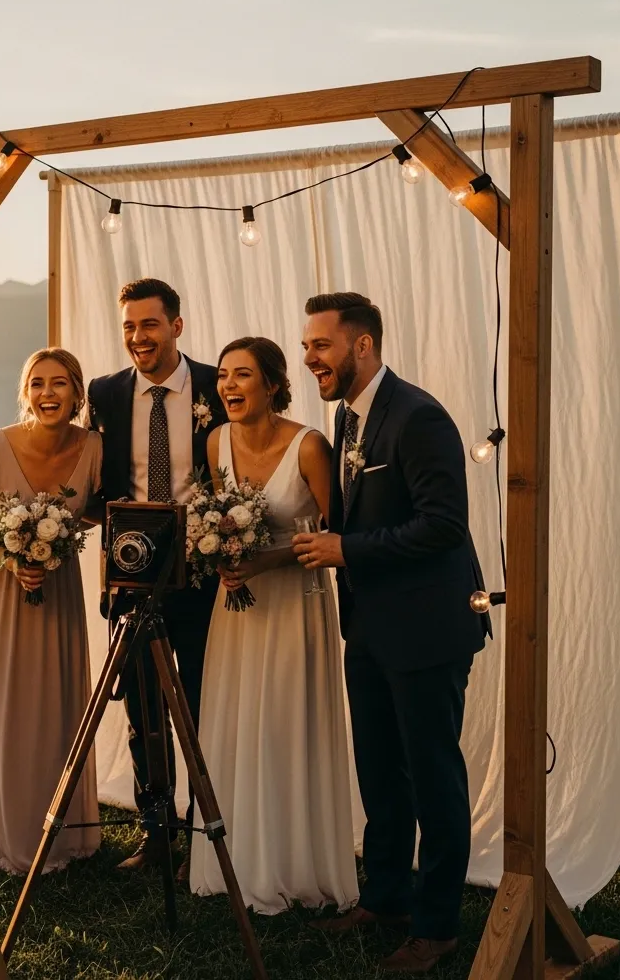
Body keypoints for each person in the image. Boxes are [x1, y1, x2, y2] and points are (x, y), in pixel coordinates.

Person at [294, 292, 491, 973]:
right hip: (372, 629)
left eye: (321, 344)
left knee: (433, 778)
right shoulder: (348, 418)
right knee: (380, 772)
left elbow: (443, 526)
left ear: (363, 346)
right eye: (307, 344)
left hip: (428, 627)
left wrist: (348, 551)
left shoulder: (418, 416)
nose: (309, 356)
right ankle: (386, 898)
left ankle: (437, 926)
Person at [188, 337, 359, 914]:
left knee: (287, 721)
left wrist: (266, 558)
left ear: (272, 385)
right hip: (237, 611)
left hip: (296, 606)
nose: (229, 386)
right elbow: (218, 518)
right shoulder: (215, 443)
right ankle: (238, 860)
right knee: (238, 723)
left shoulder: (310, 446)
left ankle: (296, 865)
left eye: (243, 376)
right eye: (224, 377)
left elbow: (338, 534)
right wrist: (220, 557)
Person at [87, 278, 224, 879]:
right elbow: (94, 480)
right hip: (134, 578)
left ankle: (209, 833)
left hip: (203, 579)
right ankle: (156, 833)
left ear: (177, 326)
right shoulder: (106, 394)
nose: (138, 338)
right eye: (129, 327)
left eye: (149, 325)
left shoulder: (220, 385)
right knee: (142, 710)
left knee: (203, 707)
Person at [0, 347, 102, 875]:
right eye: (38, 383)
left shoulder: (95, 449)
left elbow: (97, 509)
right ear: (25, 393)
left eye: (60, 383)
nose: (49, 393)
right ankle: (7, 832)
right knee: (8, 708)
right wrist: (10, 557)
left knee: (59, 706)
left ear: (77, 394)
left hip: (59, 598)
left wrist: (58, 543)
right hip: (3, 595)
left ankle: (65, 834)